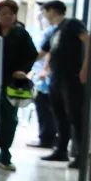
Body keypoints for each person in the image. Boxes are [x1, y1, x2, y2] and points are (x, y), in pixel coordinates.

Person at [0, 0, 37, 171]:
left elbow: (31, 54)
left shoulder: (21, 34)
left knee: (9, 118)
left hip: (12, 82)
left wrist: (22, 70)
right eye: (3, 13)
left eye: (11, 14)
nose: (7, 17)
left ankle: (4, 154)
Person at [39, 0, 89, 167]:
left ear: (52, 11)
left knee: (75, 115)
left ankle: (81, 155)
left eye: (45, 11)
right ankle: (61, 150)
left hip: (72, 77)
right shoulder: (55, 31)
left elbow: (88, 41)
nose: (44, 15)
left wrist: (86, 68)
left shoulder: (72, 24)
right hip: (56, 77)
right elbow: (43, 52)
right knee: (60, 115)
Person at [29, 17, 59, 149]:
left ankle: (47, 138)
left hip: (45, 77)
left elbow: (49, 52)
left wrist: (45, 69)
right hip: (41, 75)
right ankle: (46, 137)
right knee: (43, 108)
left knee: (45, 108)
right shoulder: (45, 32)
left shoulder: (52, 31)